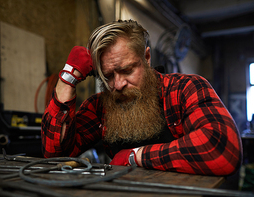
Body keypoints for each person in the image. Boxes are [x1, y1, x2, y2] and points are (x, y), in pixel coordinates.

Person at [41, 19, 242, 175]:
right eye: (108, 76)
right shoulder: (101, 106)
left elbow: (222, 149)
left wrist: (135, 157)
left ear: (146, 58)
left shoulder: (185, 89)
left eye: (127, 70)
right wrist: (68, 78)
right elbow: (54, 155)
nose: (118, 85)